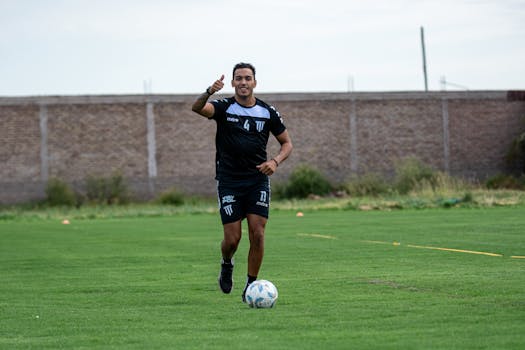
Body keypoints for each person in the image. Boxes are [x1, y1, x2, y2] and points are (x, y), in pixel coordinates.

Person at [191, 62, 293, 302]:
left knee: (257, 234)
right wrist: (209, 91)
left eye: (248, 78)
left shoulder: (267, 112)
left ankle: (250, 286)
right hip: (229, 181)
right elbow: (196, 108)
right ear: (233, 83)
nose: (243, 82)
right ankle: (227, 263)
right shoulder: (224, 107)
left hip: (257, 180)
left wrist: (275, 162)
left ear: (255, 82)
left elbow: (287, 143)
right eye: (239, 78)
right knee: (232, 239)